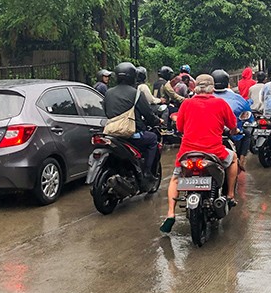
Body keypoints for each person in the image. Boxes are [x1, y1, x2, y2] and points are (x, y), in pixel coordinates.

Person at [160, 74, 238, 233]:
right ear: (212, 88)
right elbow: (232, 126)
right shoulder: (221, 104)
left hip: (187, 153)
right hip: (214, 152)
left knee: (175, 178)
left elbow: (180, 128)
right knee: (234, 159)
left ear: (195, 87)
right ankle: (230, 195)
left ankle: (170, 214)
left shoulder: (187, 104)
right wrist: (235, 130)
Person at [102, 62, 161, 191]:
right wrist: (157, 121)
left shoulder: (108, 93)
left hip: (111, 134)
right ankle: (147, 173)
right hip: (131, 134)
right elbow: (148, 114)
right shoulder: (136, 93)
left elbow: (107, 112)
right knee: (152, 139)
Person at [212, 69, 254, 171]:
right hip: (228, 135)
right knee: (247, 134)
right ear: (228, 84)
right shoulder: (237, 99)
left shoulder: (197, 99)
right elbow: (247, 117)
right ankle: (242, 161)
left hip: (202, 140)